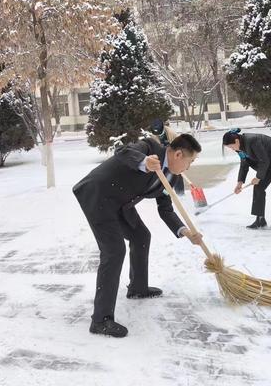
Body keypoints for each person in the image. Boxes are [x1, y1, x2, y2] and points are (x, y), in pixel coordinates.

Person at [72, 134, 203, 338]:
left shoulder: (172, 176)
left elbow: (166, 209)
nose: (189, 167)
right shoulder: (150, 148)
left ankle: (138, 288)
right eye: (190, 161)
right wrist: (144, 161)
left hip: (121, 202)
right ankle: (100, 320)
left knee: (141, 236)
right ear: (178, 154)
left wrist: (185, 232)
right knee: (114, 251)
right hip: (98, 194)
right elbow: (122, 152)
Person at [222, 128, 271, 232]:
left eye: (231, 146)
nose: (232, 149)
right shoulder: (239, 147)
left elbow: (264, 161)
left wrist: (258, 177)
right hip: (270, 165)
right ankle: (260, 219)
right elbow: (244, 164)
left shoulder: (253, 141)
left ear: (236, 141)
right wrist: (240, 182)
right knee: (258, 187)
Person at [150, 119, 185, 195]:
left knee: (177, 174)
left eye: (159, 134)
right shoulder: (153, 136)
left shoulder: (171, 134)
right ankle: (166, 194)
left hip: (175, 155)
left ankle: (181, 193)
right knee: (165, 176)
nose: (158, 135)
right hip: (162, 157)